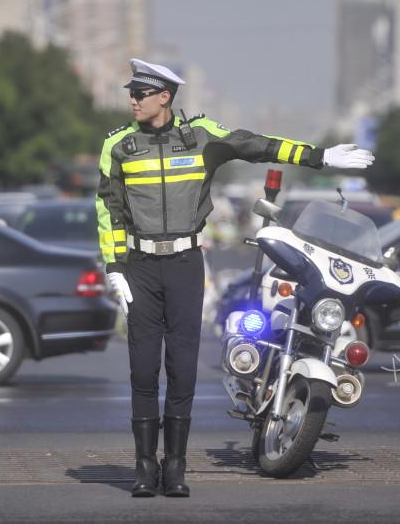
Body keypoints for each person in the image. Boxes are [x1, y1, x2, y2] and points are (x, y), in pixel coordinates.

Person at [96, 58, 375, 498]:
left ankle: (176, 469)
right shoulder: (119, 146)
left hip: (186, 265)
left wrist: (318, 157)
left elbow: (258, 145)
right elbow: (108, 209)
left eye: (140, 94)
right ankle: (145, 468)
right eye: (131, 93)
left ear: (164, 97)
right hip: (141, 268)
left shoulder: (204, 136)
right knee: (143, 370)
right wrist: (114, 266)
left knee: (183, 370)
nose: (132, 100)